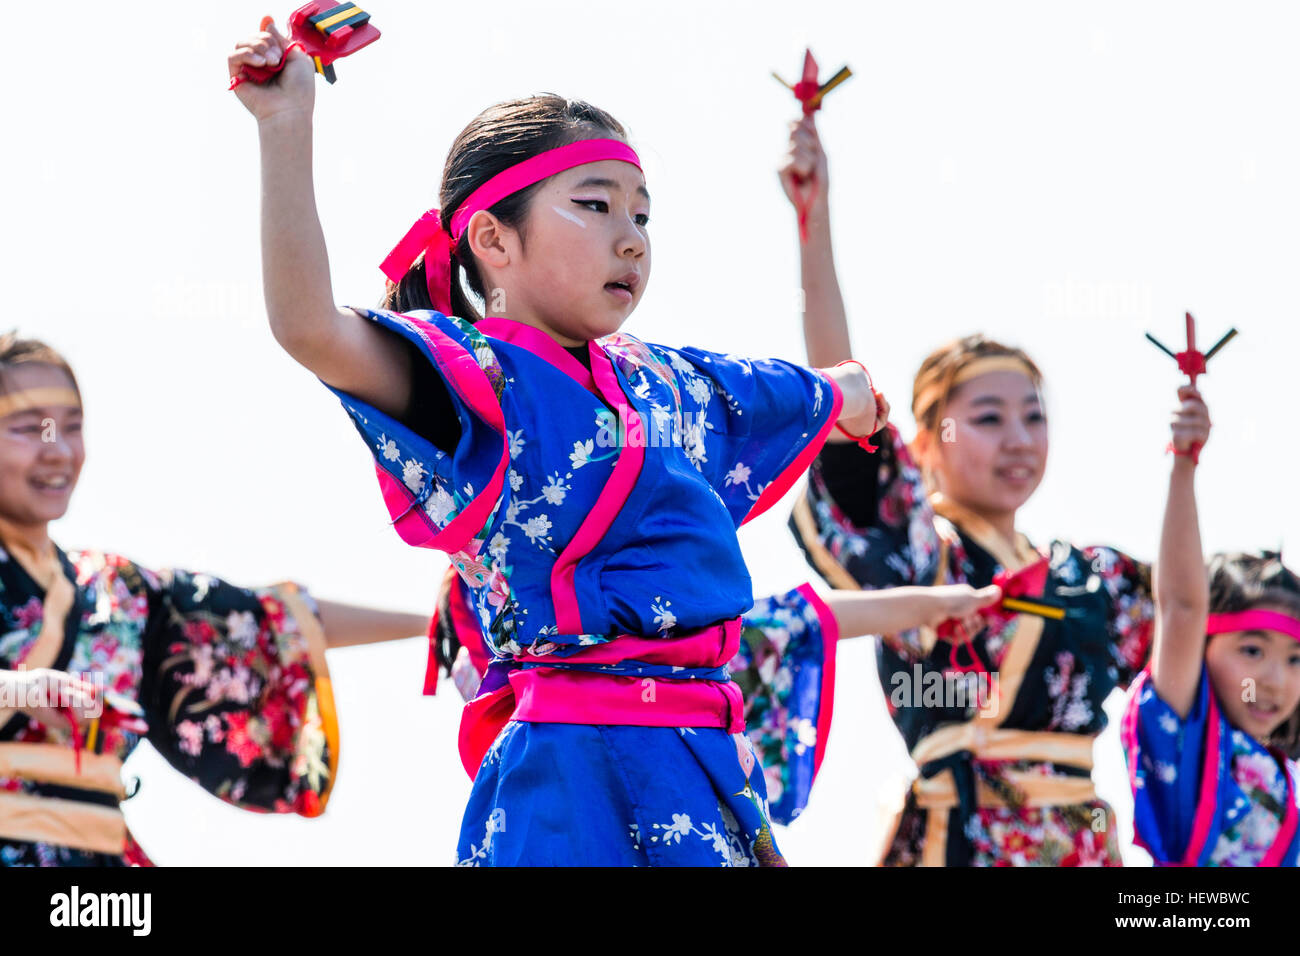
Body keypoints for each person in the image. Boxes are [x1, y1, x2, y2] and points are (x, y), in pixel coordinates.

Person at [229, 21, 886, 866]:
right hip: (569, 775)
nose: (632, 237)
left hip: (707, 771)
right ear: (494, 239)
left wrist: (851, 393)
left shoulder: (677, 382)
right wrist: (286, 129)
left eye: (643, 214)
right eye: (595, 204)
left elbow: (812, 388)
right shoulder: (473, 375)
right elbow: (311, 328)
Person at [780, 114, 1155, 866]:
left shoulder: (1099, 577)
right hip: (967, 838)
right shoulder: (928, 559)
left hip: (1083, 844)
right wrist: (812, 226)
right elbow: (844, 403)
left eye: (1033, 417)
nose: (1018, 438)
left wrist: (1184, 465)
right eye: (986, 418)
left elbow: (1190, 632)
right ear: (924, 446)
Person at [0, 333, 430, 866]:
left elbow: (267, 621)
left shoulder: (117, 592)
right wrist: (19, 689)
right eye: (28, 428)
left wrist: (440, 622)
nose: (58, 450)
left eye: (71, 426)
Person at [428, 565, 1001, 828]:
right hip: (571, 815)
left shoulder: (664, 639)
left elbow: (794, 620)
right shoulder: (495, 631)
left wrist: (934, 605)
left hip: (642, 813)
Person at [1121, 385, 1300, 865]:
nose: (1275, 678)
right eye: (1252, 650)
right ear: (1201, 645)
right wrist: (1184, 462)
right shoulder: (1189, 739)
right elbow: (1180, 607)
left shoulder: (1283, 772)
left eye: (1295, 659)